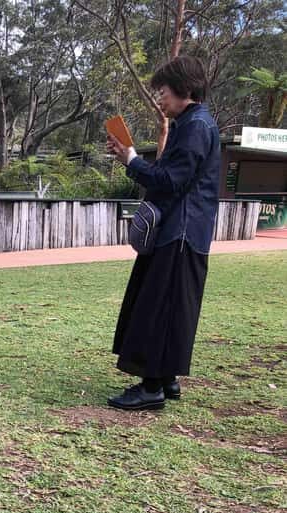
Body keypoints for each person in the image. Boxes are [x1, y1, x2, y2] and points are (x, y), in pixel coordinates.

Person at [105, 55, 220, 411]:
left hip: (180, 233)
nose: (160, 99)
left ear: (185, 89)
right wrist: (135, 160)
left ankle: (151, 386)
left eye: (164, 92)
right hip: (180, 231)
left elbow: (172, 181)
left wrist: (132, 162)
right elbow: (172, 175)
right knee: (168, 305)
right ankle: (166, 378)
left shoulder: (196, 127)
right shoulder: (190, 124)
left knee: (160, 307)